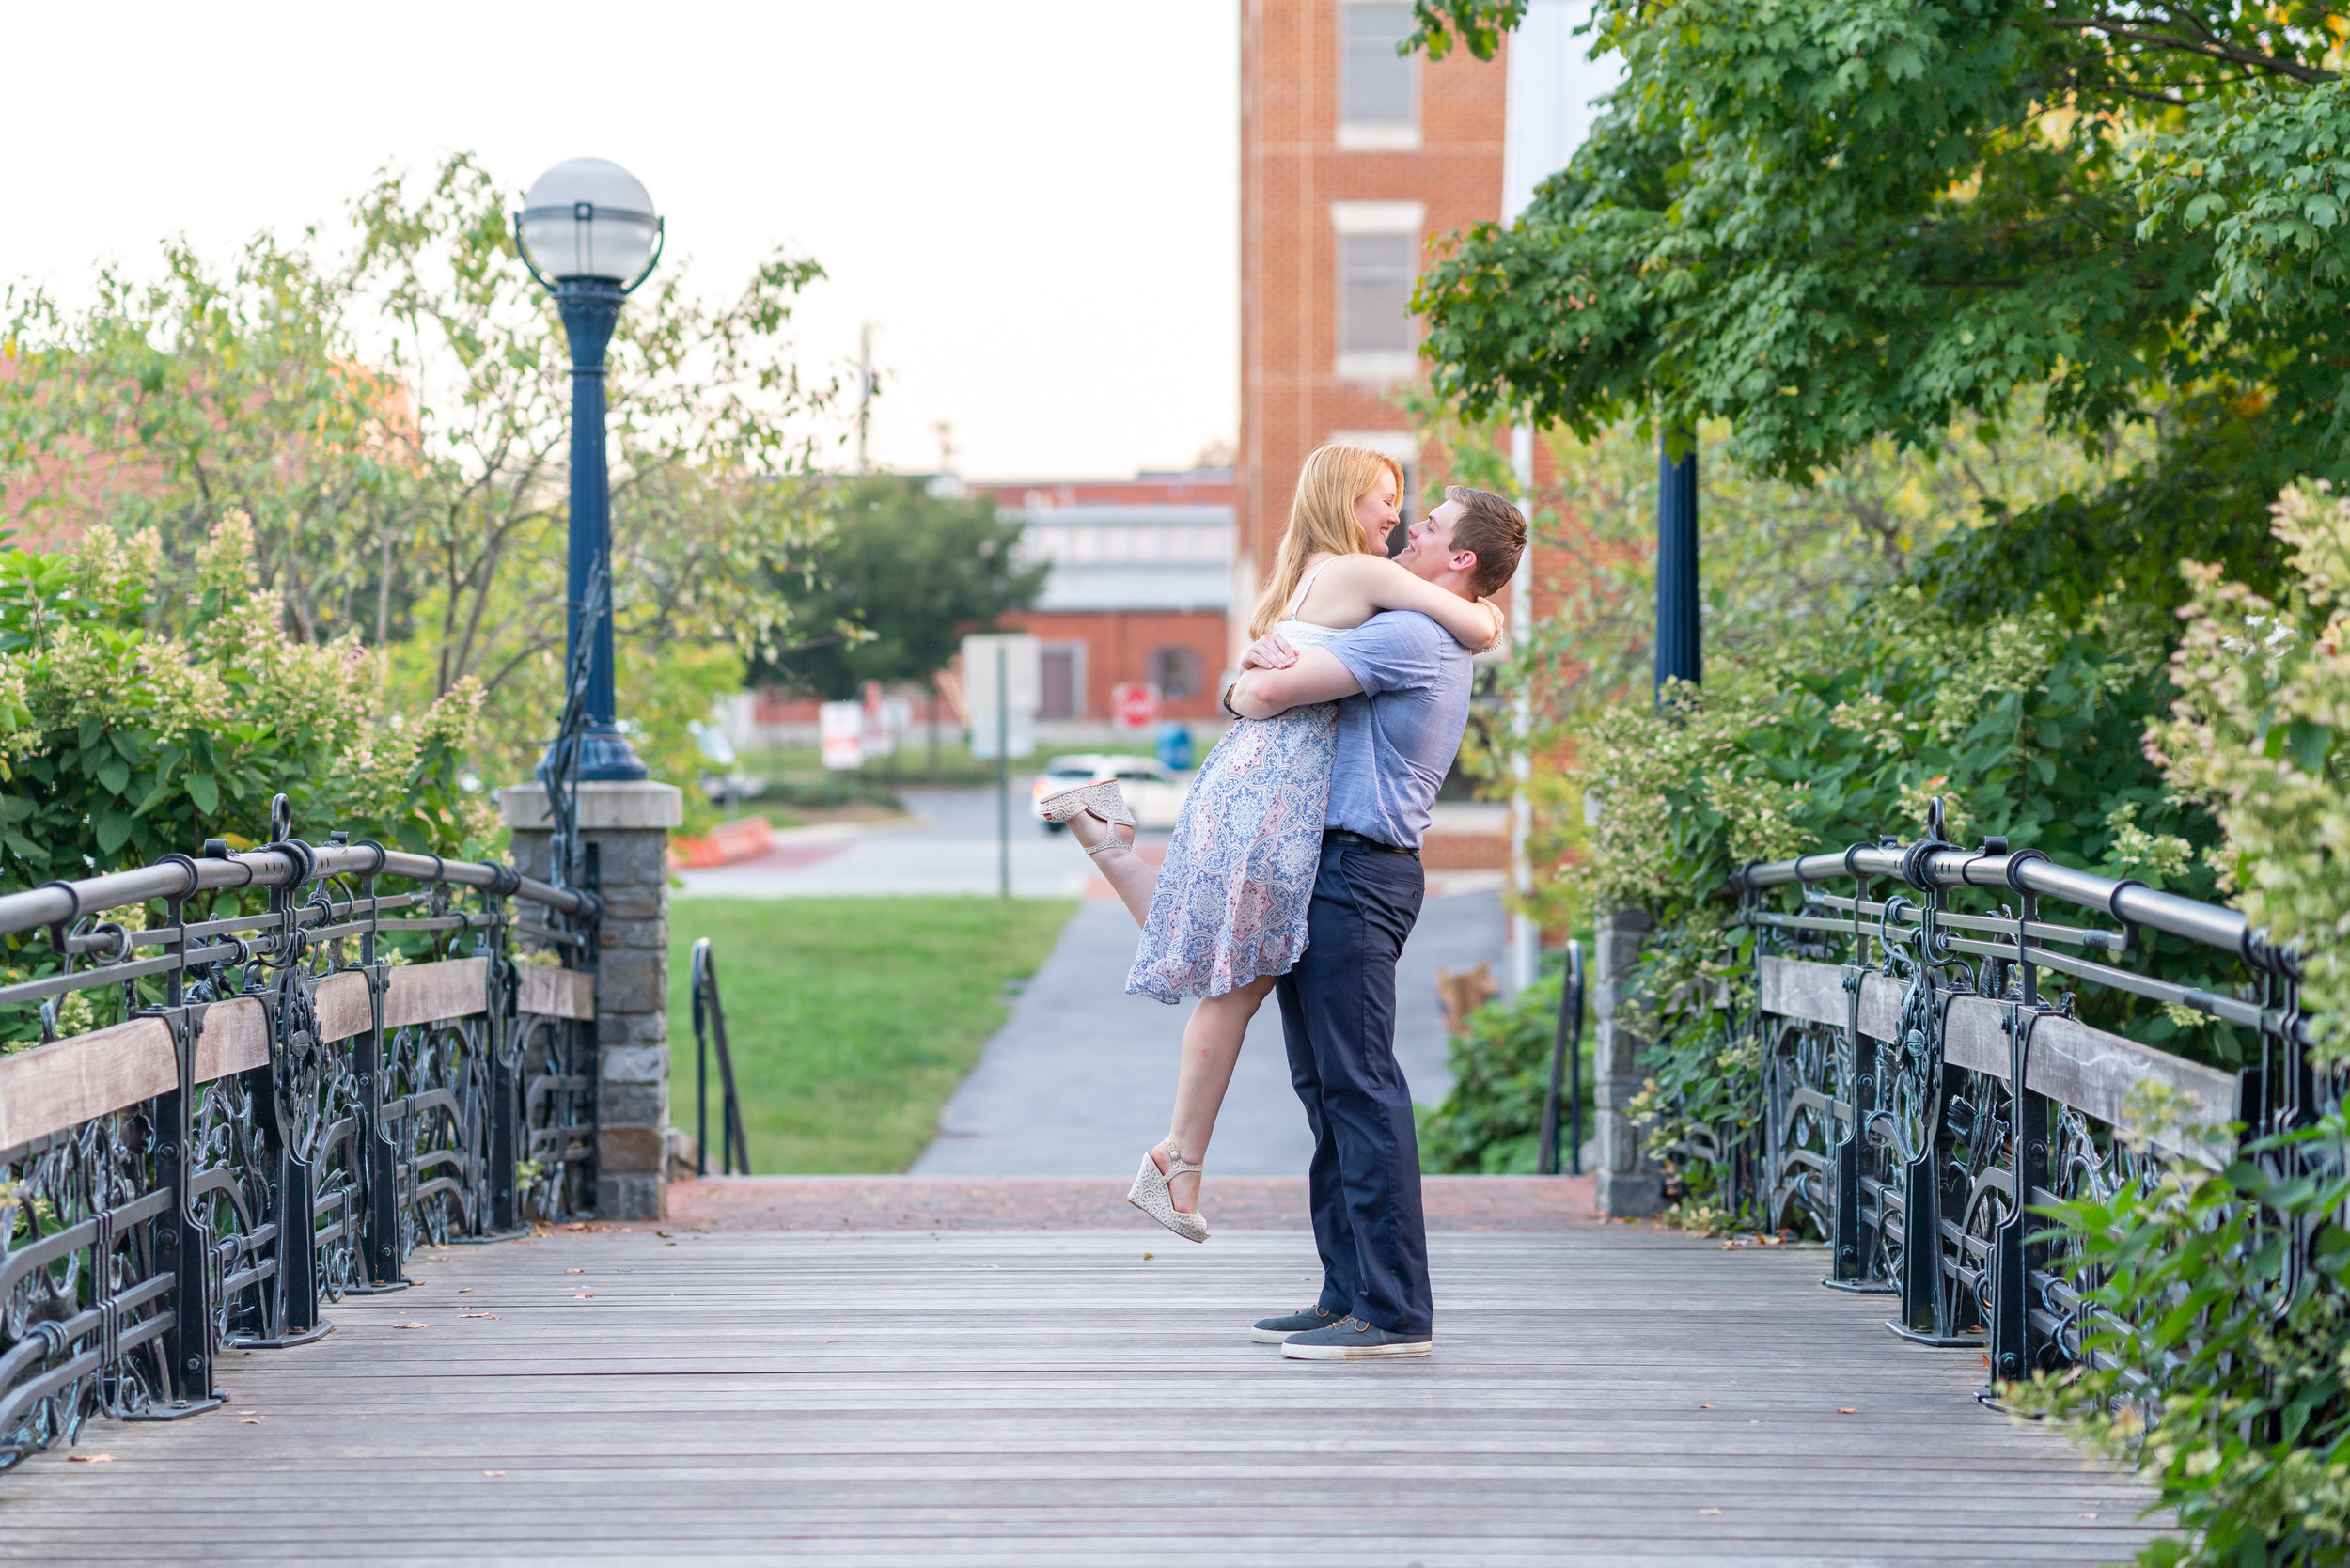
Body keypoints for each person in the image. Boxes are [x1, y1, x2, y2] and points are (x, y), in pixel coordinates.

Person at [1037, 447, 1523, 1268]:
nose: (1400, 522)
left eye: (1419, 516)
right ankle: (1178, 1164)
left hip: (1258, 779)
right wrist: (1494, 615)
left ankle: (1110, 844)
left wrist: (1239, 680)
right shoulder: (1369, 583)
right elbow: (1475, 622)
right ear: (1345, 500)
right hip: (1280, 792)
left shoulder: (1323, 580)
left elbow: (1265, 678)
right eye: (1389, 501)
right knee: (1229, 974)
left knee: (1215, 954)